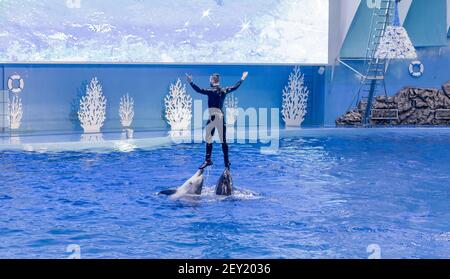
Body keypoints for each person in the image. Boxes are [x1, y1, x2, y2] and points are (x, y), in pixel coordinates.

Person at [186, 71, 248, 170]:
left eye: (210, 80)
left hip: (213, 117)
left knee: (208, 137)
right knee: (223, 140)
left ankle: (208, 160)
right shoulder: (224, 90)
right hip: (221, 117)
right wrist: (242, 78)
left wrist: (191, 82)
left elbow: (198, 90)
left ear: (212, 81)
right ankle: (227, 162)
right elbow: (235, 87)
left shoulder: (210, 91)